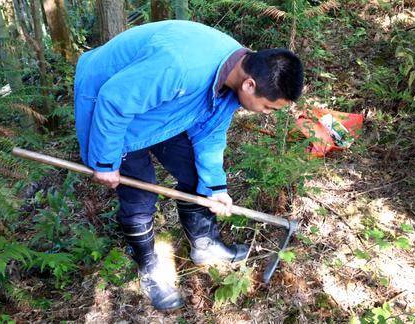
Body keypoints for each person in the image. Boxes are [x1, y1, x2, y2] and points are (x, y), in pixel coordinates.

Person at [74, 20, 303, 311]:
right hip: (107, 100)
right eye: (269, 107)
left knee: (197, 176)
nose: (266, 114)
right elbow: (115, 100)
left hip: (159, 106)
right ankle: (149, 266)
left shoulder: (235, 71)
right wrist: (105, 161)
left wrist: (215, 186)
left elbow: (209, 132)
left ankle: (204, 245)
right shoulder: (180, 66)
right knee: (140, 192)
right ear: (250, 84)